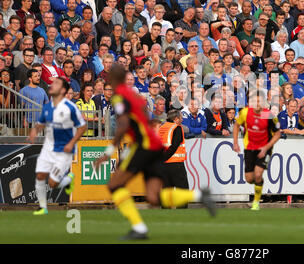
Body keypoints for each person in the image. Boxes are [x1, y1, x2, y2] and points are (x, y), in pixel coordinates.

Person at [94, 65, 215, 240]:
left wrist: (108, 151)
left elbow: (123, 124)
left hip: (142, 146)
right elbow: (143, 112)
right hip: (154, 145)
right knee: (154, 197)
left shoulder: (119, 96)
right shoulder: (134, 96)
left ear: (112, 78)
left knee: (114, 185)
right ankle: (199, 195)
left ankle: (138, 228)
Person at [27, 77, 87, 215]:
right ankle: (43, 207)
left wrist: (71, 143)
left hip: (63, 150)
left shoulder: (70, 107)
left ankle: (68, 179)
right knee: (40, 176)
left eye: (56, 84)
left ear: (63, 90)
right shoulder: (47, 106)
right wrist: (34, 131)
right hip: (48, 148)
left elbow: (82, 127)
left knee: (53, 183)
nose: (52, 85)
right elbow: (41, 122)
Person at [232, 91, 281, 211]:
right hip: (250, 148)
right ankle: (259, 184)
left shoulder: (267, 115)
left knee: (258, 174)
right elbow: (236, 125)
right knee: (249, 179)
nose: (257, 104)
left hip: (264, 148)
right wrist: (235, 142)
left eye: (260, 101)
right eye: (255, 101)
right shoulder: (245, 112)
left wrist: (266, 147)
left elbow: (278, 133)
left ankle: (256, 202)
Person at [158, 110, 189, 192]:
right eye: (181, 118)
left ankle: (165, 205)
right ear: (176, 119)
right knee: (183, 190)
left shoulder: (161, 128)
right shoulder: (177, 128)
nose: (182, 120)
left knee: (167, 190)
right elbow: (174, 146)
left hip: (164, 165)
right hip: (175, 164)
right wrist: (165, 158)